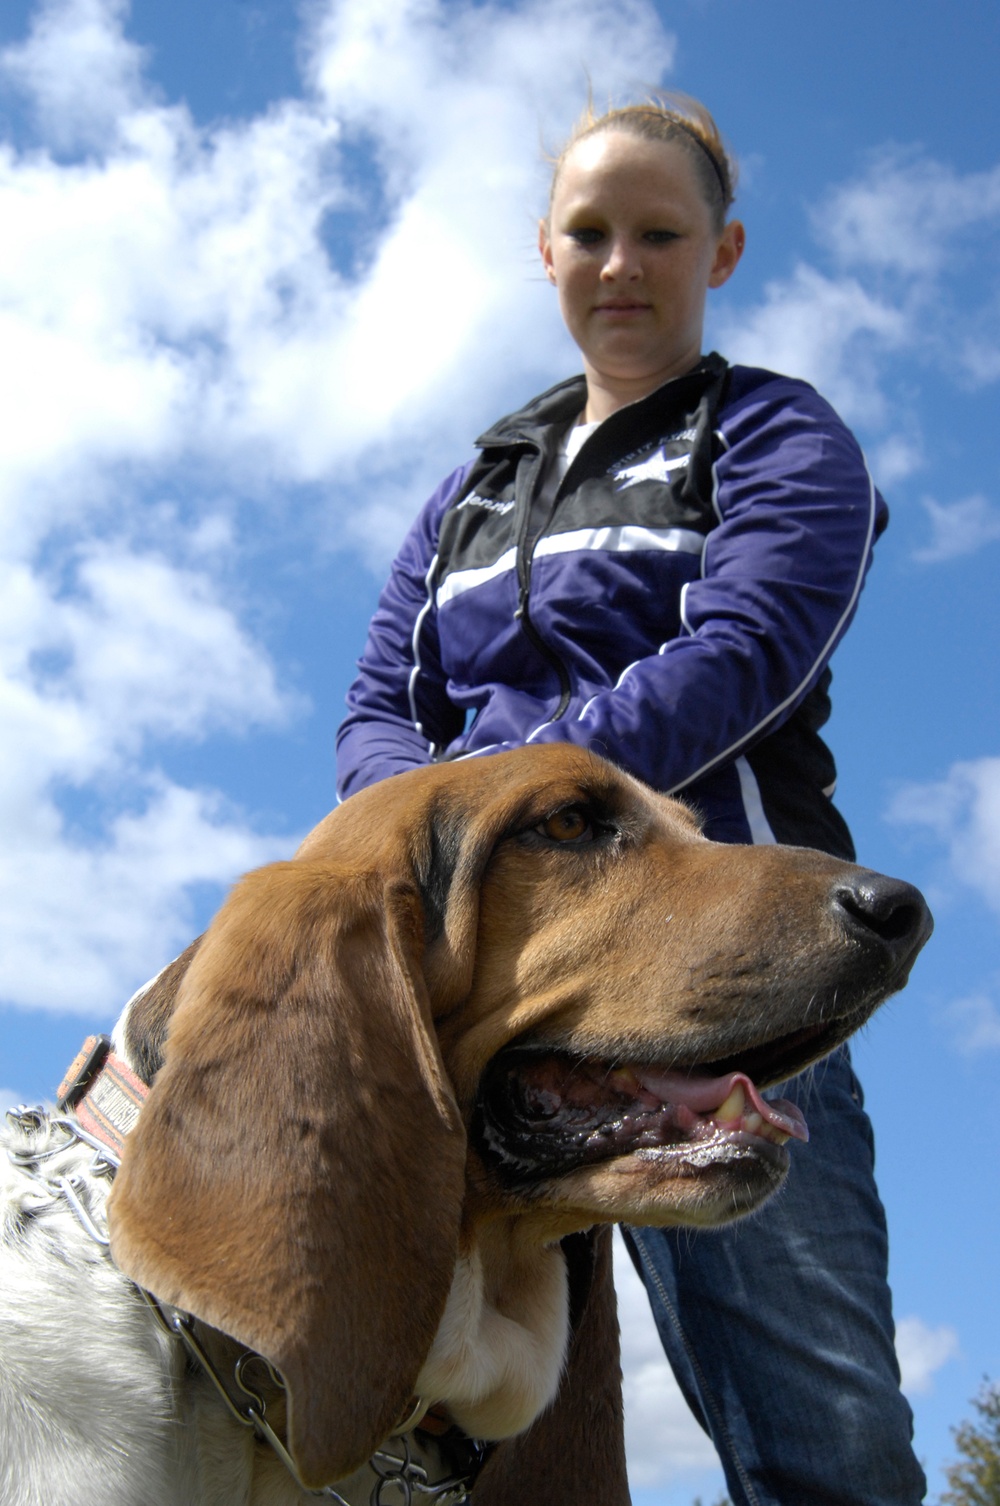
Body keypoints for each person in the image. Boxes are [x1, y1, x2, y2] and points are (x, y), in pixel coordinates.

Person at [335, 94, 925, 1506]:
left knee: (819, 1438)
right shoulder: (475, 486)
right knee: (416, 1417)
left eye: (658, 233)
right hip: (489, 997)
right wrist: (429, 835)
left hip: (728, 982)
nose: (621, 264)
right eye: (589, 233)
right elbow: (377, 701)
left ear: (719, 253)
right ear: (544, 253)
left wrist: (526, 806)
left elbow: (744, 652)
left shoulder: (773, 432)